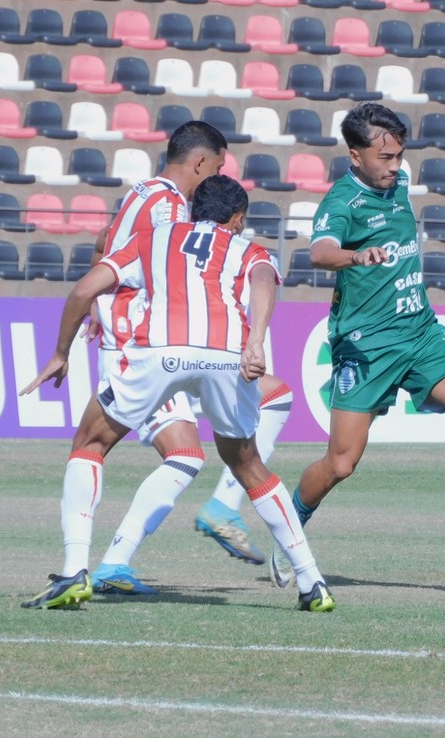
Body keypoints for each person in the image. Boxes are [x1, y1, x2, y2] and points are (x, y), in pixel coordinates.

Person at [20, 174, 335, 613]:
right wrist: (257, 340)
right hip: (226, 355)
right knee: (248, 464)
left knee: (90, 445)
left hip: (158, 352)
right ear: (238, 217)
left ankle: (76, 571)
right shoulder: (249, 249)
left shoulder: (152, 238)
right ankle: (312, 582)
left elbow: (84, 290)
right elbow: (264, 281)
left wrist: (59, 352)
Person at [269, 102, 445, 588]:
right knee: (341, 463)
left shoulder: (400, 182)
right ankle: (289, 531)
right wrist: (355, 255)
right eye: (384, 157)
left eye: (399, 155)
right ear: (355, 154)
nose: (394, 166)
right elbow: (319, 252)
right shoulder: (342, 203)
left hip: (420, 328)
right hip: (367, 345)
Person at [79, 121, 288, 596]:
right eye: (216, 167)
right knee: (181, 450)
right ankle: (112, 559)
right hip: (146, 345)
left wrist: (97, 301)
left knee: (187, 454)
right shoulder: (171, 206)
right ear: (200, 163)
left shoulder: (142, 193)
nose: (215, 177)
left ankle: (113, 561)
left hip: (146, 340)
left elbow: (103, 247)